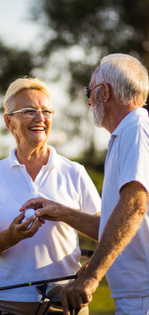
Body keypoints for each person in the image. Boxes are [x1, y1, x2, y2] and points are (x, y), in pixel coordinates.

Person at [23, 54, 149, 315]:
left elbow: (134, 205)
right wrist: (61, 211)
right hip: (136, 291)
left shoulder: (136, 129)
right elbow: (116, 224)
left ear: (104, 92)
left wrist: (92, 275)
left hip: (142, 293)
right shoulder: (125, 133)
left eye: (89, 91)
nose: (88, 100)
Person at [0, 76, 101, 315]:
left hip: (63, 301)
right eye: (29, 111)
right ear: (9, 121)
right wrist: (11, 236)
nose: (40, 118)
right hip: (2, 301)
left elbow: (106, 231)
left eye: (46, 111)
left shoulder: (75, 172)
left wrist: (90, 271)